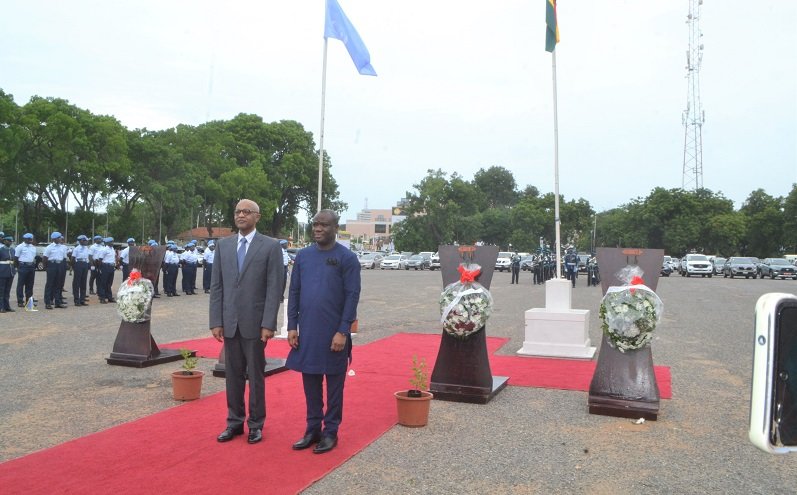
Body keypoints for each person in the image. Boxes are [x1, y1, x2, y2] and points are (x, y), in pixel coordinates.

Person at [286, 209, 361, 455]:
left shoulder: (347, 259)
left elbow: (352, 297)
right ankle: (312, 429)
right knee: (310, 383)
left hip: (334, 335)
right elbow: (294, 292)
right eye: (315, 225)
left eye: (324, 225)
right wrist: (291, 326)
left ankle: (330, 432)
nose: (318, 229)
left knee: (334, 387)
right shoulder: (304, 256)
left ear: (335, 228)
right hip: (308, 333)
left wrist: (343, 331)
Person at [209, 199, 283, 445]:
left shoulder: (270, 247)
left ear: (257, 217)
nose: (241, 215)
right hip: (229, 322)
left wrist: (268, 323)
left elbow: (275, 288)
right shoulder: (224, 246)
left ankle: (255, 424)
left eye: (246, 212)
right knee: (233, 376)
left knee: (256, 376)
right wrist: (216, 320)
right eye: (238, 211)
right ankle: (234, 422)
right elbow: (217, 286)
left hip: (255, 323)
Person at [43, 232, 69, 309]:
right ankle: (48, 302)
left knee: (59, 284)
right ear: (54, 239)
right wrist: (46, 268)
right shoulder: (49, 247)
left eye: (60, 237)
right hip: (52, 265)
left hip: (60, 265)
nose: (60, 239)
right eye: (58, 237)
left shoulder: (63, 247)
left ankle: (58, 302)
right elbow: (44, 258)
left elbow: (64, 257)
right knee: (50, 284)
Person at [14, 233, 37, 308]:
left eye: (31, 239)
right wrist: (18, 267)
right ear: (24, 239)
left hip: (31, 266)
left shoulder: (33, 247)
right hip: (23, 266)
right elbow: (16, 258)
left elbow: (33, 257)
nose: (31, 240)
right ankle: (20, 301)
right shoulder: (20, 247)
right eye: (29, 239)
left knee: (30, 285)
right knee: (21, 284)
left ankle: (29, 301)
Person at [71, 235, 91, 306]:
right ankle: (76, 300)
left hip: (85, 263)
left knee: (83, 282)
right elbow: (73, 259)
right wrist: (74, 267)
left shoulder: (86, 248)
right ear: (81, 241)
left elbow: (87, 257)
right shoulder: (76, 249)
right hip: (78, 264)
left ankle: (82, 299)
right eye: (85, 240)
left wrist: (88, 264)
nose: (86, 242)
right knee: (77, 283)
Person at [97, 237, 117, 304]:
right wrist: (100, 268)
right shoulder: (104, 249)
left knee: (109, 283)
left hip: (111, 267)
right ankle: (102, 298)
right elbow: (100, 260)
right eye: (111, 242)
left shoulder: (112, 249)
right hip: (105, 266)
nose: (112, 243)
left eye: (113, 241)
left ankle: (109, 297)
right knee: (103, 283)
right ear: (107, 243)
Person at [0, 235, 15, 312]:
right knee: (1, 290)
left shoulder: (12, 250)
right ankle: (1, 307)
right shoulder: (1, 250)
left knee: (7, 290)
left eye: (11, 241)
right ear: (5, 241)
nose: (10, 242)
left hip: (10, 272)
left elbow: (14, 261)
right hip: (2, 271)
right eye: (8, 241)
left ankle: (7, 306)